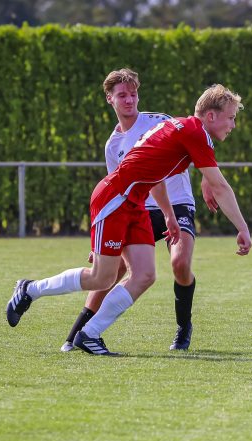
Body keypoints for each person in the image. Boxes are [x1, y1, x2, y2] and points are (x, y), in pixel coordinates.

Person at [6, 84, 252, 356]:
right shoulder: (194, 132)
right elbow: (220, 186)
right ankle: (31, 289)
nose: (233, 124)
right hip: (116, 198)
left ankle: (89, 334)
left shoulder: (180, 128)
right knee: (103, 277)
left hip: (134, 203)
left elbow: (155, 175)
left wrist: (169, 215)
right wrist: (242, 228)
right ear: (211, 116)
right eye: (231, 117)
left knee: (145, 275)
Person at [59, 68, 216, 353]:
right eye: (122, 95)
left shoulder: (159, 122)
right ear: (110, 99)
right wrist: (99, 242)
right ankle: (77, 334)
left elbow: (199, 143)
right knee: (110, 270)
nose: (129, 100)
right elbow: (114, 191)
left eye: (133, 94)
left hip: (177, 203)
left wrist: (206, 177)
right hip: (138, 209)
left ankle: (183, 328)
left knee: (180, 264)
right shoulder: (113, 144)